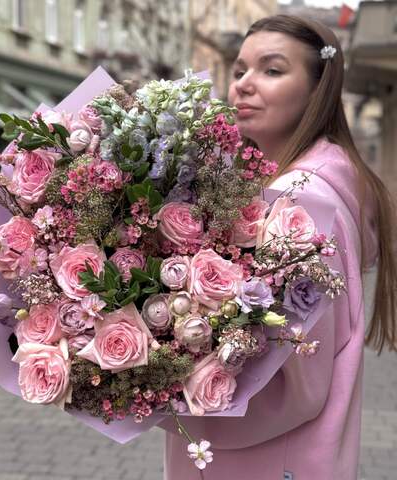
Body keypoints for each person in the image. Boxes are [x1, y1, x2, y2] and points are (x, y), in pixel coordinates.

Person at [162, 14, 397, 480]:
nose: (245, 85)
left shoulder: (301, 201)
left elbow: (293, 378)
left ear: (318, 89)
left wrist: (158, 378)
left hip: (266, 457)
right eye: (240, 70)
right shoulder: (300, 184)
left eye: (271, 70)